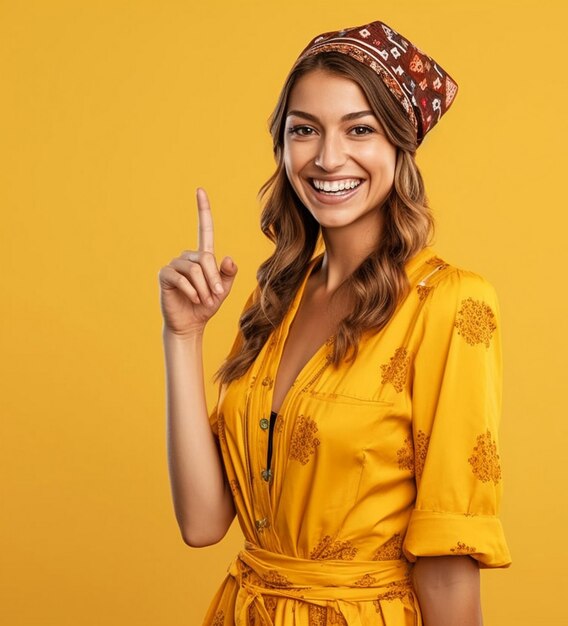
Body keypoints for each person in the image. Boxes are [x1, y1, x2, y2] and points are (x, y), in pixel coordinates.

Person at [158, 20, 511, 626]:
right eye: (305, 130)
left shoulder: (450, 304)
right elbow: (202, 522)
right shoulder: (272, 299)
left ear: (400, 145)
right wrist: (182, 336)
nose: (327, 158)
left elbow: (449, 562)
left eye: (359, 129)